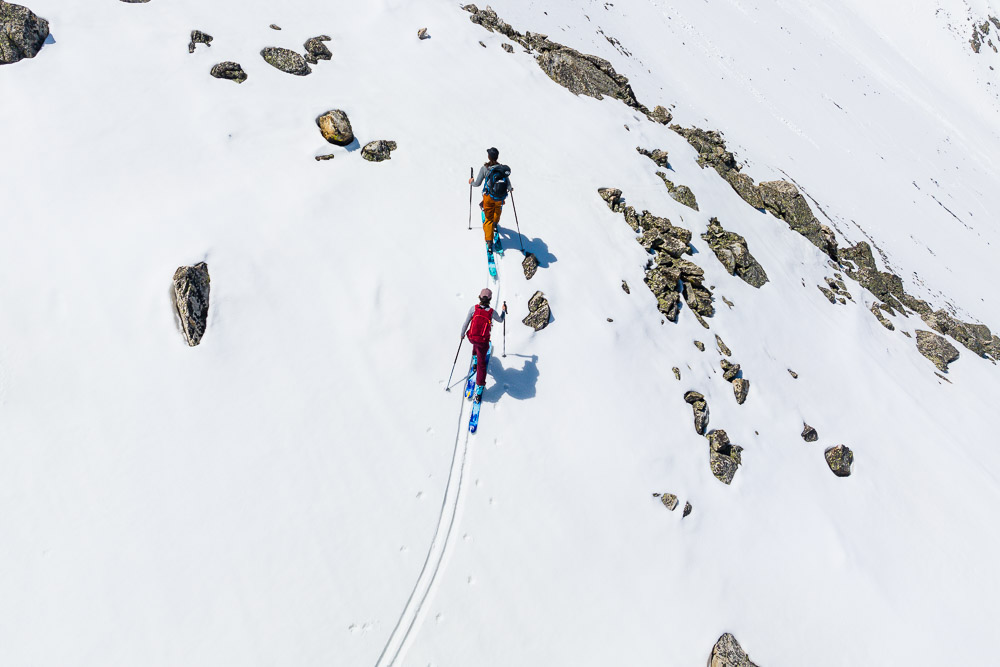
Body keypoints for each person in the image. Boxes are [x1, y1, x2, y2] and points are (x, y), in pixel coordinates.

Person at [460, 288, 507, 402]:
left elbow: (466, 323)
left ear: (480, 297)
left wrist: (462, 335)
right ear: (490, 299)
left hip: (471, 338)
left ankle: (475, 360)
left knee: (475, 343)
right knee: (482, 364)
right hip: (482, 342)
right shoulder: (491, 312)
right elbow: (500, 320)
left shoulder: (473, 308)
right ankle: (480, 387)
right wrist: (503, 311)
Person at [468, 147, 513, 252]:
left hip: (489, 196)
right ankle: (495, 223)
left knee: (488, 218)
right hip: (500, 197)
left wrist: (471, 182)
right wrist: (510, 189)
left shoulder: (485, 168)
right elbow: (508, 182)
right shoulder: (502, 168)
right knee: (498, 210)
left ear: (489, 157)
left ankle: (489, 241)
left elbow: (477, 183)